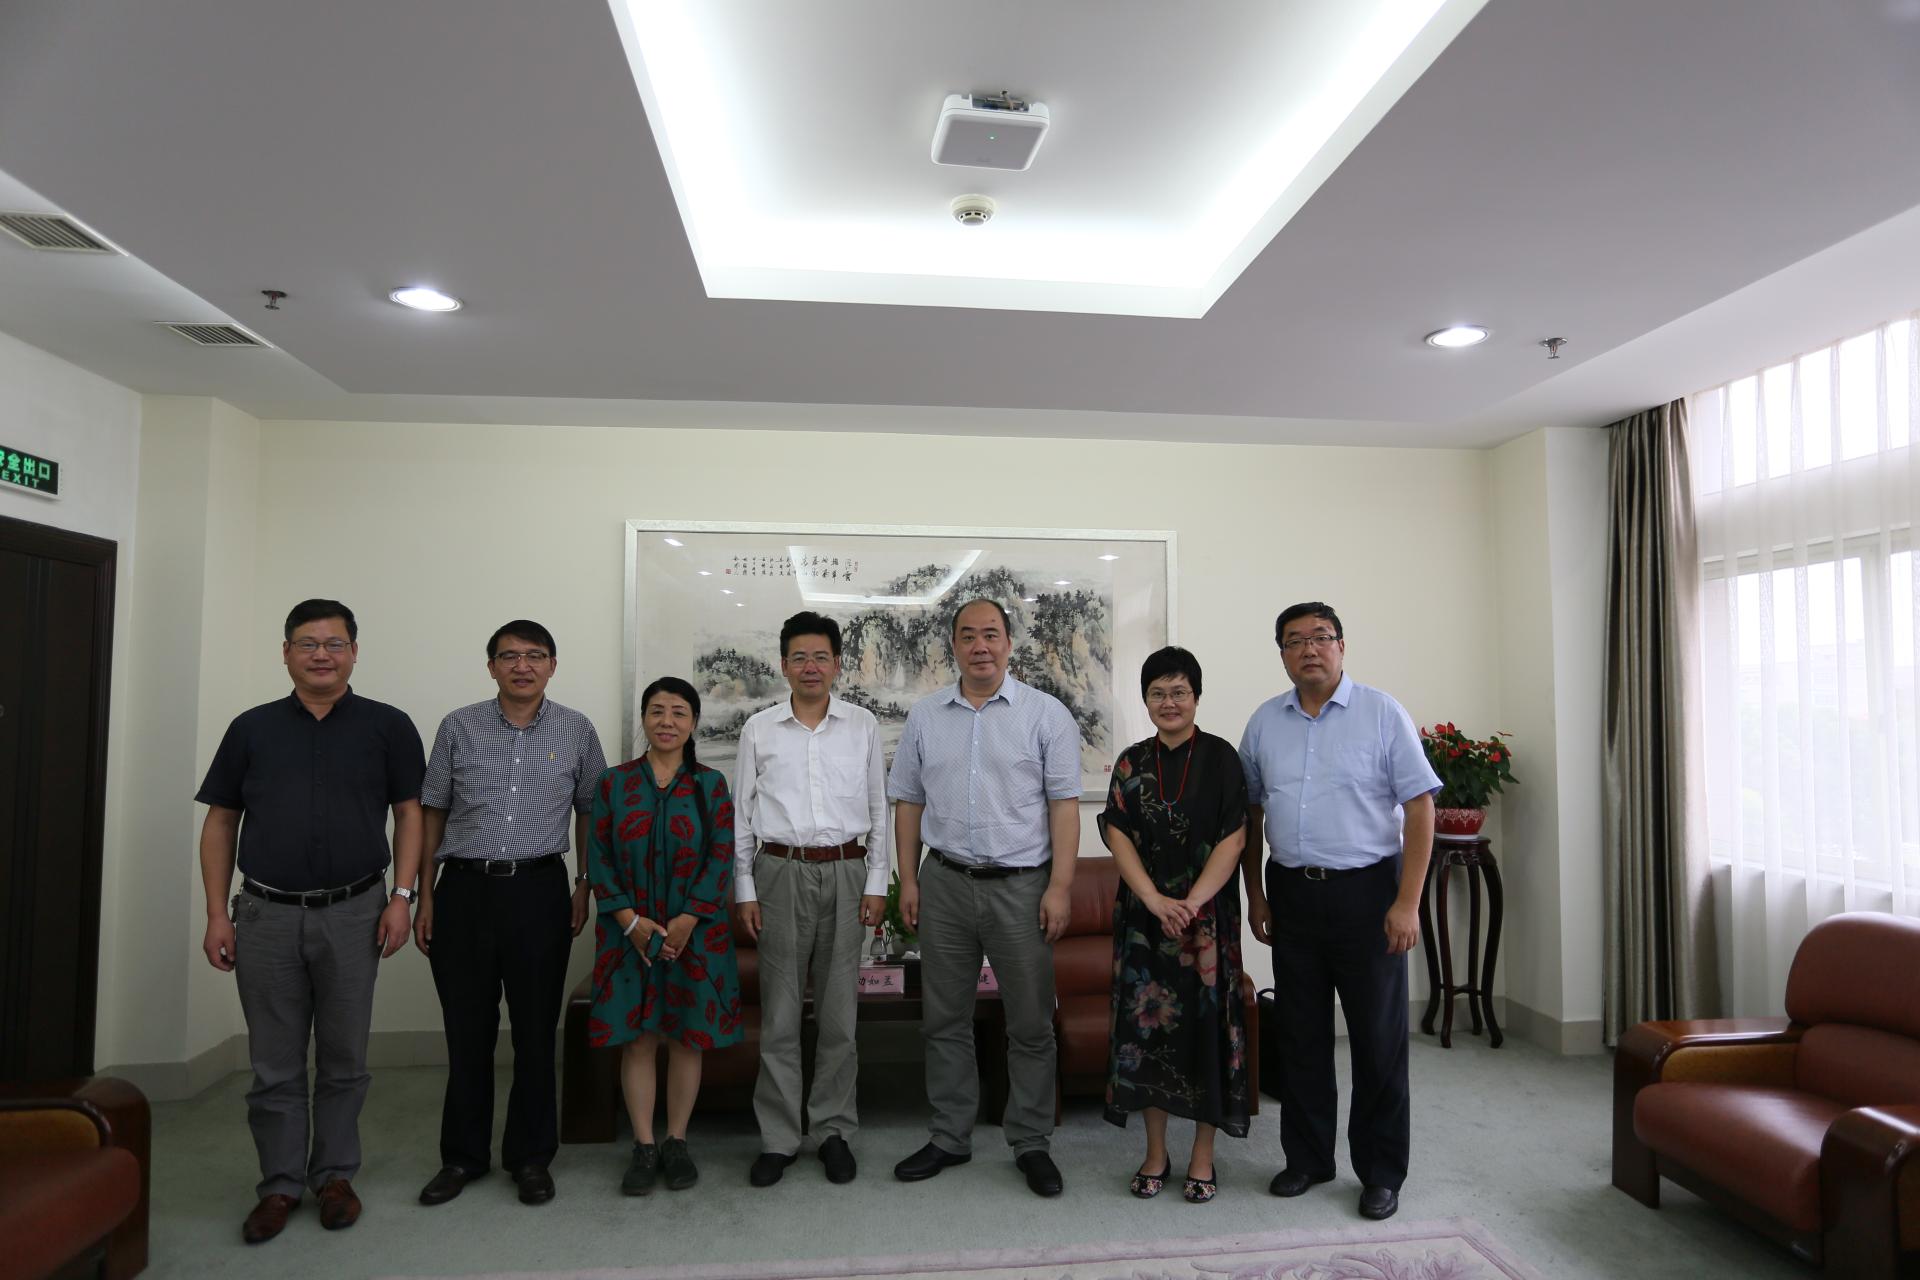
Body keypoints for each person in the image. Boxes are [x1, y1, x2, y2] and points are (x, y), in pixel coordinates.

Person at [195, 599, 426, 1245]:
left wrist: (402, 896)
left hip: (356, 912)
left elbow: (410, 813)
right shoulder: (251, 728)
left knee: (345, 1058)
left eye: (334, 643)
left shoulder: (388, 726)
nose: (321, 654)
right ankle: (278, 1185)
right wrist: (216, 913)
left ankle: (334, 1177)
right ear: (286, 653)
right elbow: (221, 819)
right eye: (307, 643)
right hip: (265, 914)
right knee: (274, 1063)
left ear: (354, 651)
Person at [1238, 602, 1438, 1222]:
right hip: (1292, 893)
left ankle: (1380, 1172)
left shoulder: (1382, 713)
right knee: (1300, 1035)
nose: (1309, 649)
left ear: (1341, 646)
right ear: (1281, 654)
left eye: (1320, 637)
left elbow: (1420, 808)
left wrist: (1408, 902)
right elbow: (1251, 815)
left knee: (1378, 1042)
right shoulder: (1264, 723)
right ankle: (1308, 1158)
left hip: (1369, 895)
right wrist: (1256, 894)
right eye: (1294, 640)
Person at [888, 598, 1081, 1198]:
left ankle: (1030, 1141)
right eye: (968, 636)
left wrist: (1060, 887)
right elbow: (908, 802)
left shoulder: (1045, 714)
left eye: (991, 634)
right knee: (944, 1020)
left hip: (1022, 887)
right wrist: (908, 880)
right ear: (953, 646)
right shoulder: (926, 716)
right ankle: (950, 1135)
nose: (980, 646)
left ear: (1008, 644)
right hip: (944, 882)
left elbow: (1064, 807)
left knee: (1030, 1023)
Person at [412, 620, 608, 1207]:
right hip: (464, 891)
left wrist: (584, 884)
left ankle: (530, 1156)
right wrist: (425, 895)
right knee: (466, 1032)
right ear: (491, 666)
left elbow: (591, 812)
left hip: (540, 890)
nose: (523, 666)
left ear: (553, 665)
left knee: (535, 1032)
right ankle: (462, 1157)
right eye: (510, 656)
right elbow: (433, 810)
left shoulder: (577, 730)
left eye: (535, 656)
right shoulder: (458, 726)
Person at [732, 611, 889, 1187]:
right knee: (779, 1015)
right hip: (779, 873)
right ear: (784, 665)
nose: (810, 667)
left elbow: (879, 808)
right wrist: (745, 889)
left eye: (821, 656)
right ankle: (778, 1138)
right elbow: (741, 816)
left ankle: (833, 1131)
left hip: (847, 871)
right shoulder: (759, 729)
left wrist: (877, 883)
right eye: (799, 657)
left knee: (839, 1016)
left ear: (837, 664)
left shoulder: (862, 725)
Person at [1099, 646, 1251, 1203]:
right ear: (1145, 700)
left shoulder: (1221, 758)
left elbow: (1235, 836)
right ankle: (1156, 1153)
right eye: (1158, 693)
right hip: (1146, 923)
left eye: (1179, 692)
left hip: (1205, 925)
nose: (1169, 702)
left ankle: (1203, 1156)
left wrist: (1189, 902)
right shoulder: (1131, 762)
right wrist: (1155, 900)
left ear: (1196, 697)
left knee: (1207, 1034)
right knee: (1147, 1035)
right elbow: (1116, 833)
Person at [586, 676, 742, 1196]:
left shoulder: (710, 785)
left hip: (694, 935)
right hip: (627, 933)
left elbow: (722, 854)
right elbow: (598, 857)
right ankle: (644, 1144)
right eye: (657, 711)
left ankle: (676, 1140)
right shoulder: (613, 783)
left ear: (693, 723)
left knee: (686, 1038)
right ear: (644, 720)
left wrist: (689, 918)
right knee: (639, 1039)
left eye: (678, 712)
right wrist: (630, 922)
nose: (667, 721)